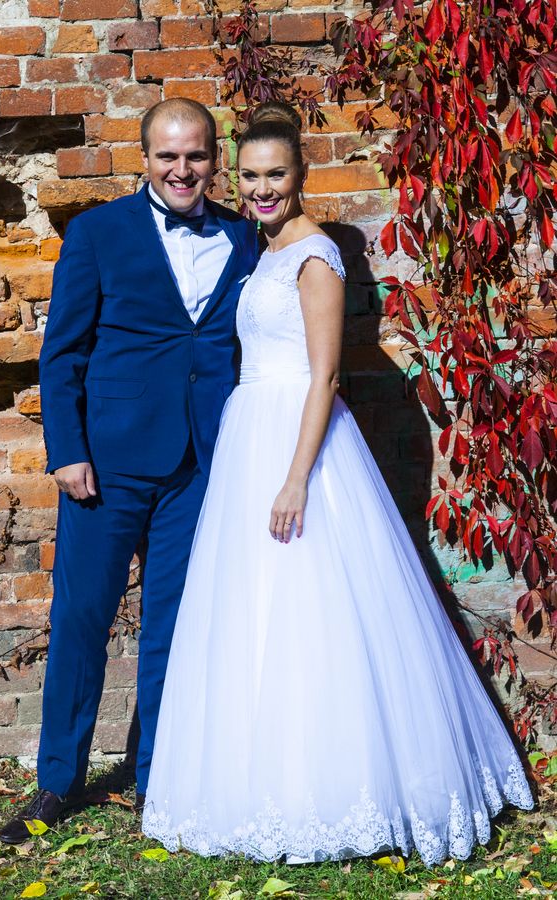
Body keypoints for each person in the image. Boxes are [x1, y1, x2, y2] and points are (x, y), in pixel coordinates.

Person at [142, 102, 534, 866]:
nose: (261, 189)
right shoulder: (264, 250)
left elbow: (324, 375)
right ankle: (258, 782)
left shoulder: (315, 256)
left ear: (301, 175)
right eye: (250, 176)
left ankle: (340, 786)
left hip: (299, 442)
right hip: (251, 434)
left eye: (275, 175)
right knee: (255, 608)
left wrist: (296, 479)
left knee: (316, 606)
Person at [0, 98, 259, 844]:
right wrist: (67, 450)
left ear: (215, 159)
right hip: (106, 465)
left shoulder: (245, 238)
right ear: (145, 159)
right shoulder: (97, 233)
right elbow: (63, 353)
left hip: (201, 464)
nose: (183, 169)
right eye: (168, 155)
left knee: (175, 625)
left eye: (196, 155)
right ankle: (57, 782)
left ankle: (157, 779)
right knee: (82, 620)